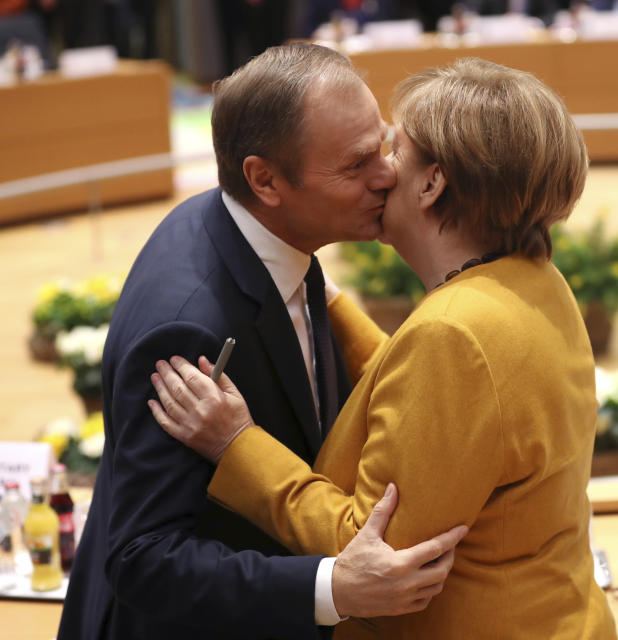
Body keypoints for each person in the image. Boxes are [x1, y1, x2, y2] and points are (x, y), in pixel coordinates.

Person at [149, 57, 618, 638]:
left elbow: (372, 557)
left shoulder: (453, 337)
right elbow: (439, 419)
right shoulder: (536, 280)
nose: (379, 172)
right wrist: (333, 304)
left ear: (432, 182)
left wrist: (237, 445)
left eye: (393, 150)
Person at [59, 44, 467, 640]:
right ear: (265, 179)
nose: (386, 175)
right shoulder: (188, 327)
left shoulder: (262, 231)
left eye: (381, 145)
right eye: (355, 166)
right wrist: (332, 587)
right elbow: (143, 558)